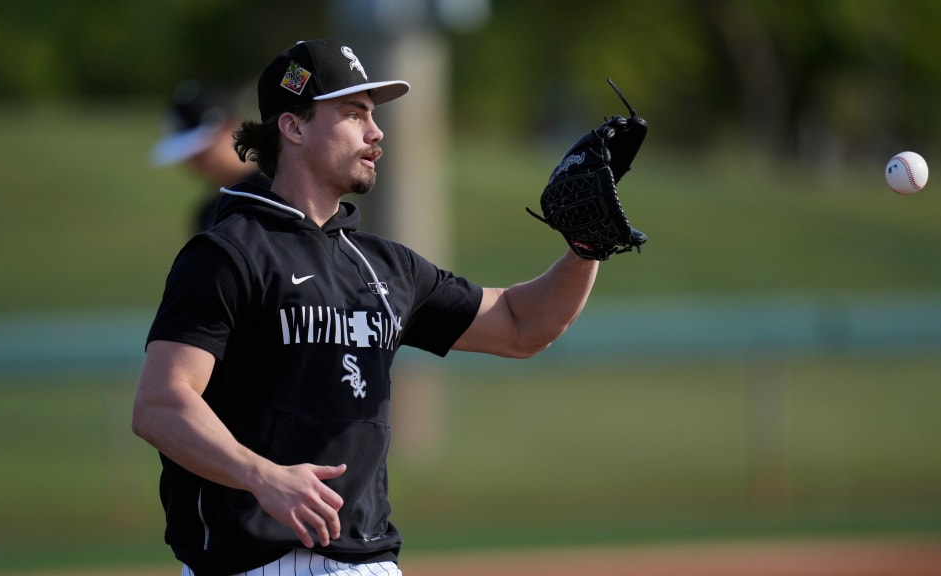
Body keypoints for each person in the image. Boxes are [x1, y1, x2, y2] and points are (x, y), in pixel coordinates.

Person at [132, 38, 601, 576]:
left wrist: (584, 247)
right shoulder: (227, 254)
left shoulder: (384, 265)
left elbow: (523, 325)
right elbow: (161, 406)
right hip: (254, 563)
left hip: (368, 561)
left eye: (372, 116)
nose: (376, 133)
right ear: (294, 126)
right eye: (354, 114)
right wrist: (262, 475)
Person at [151, 79, 271, 232]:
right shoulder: (209, 212)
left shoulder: (280, 191)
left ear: (229, 125)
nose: (194, 159)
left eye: (201, 147)